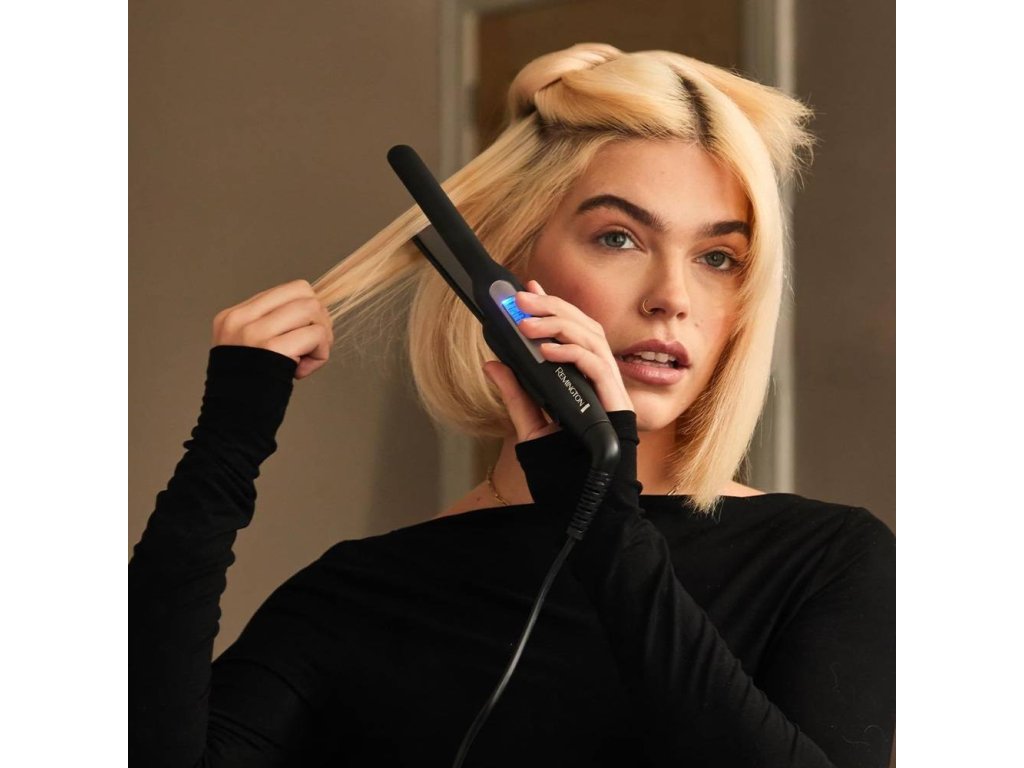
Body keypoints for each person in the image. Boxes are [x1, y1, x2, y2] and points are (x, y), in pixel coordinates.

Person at [129, 43, 895, 767]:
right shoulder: (361, 593)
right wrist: (225, 446)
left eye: (718, 257)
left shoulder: (827, 560)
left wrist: (604, 523)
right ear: (506, 265)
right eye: (619, 238)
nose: (673, 297)